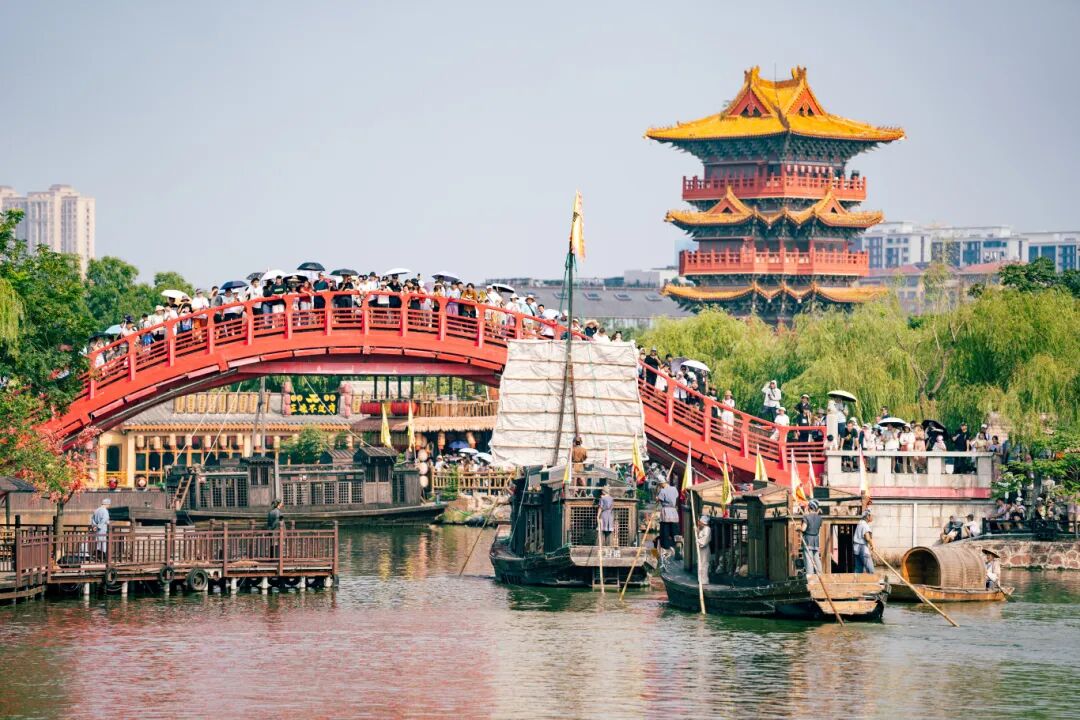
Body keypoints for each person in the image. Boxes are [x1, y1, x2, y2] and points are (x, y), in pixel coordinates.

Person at [656, 478, 680, 565]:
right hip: (673, 512)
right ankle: (677, 548)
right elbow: (676, 496)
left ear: (662, 484)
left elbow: (658, 499)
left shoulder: (662, 491)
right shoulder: (674, 489)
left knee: (665, 532)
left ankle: (666, 549)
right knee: (675, 532)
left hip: (666, 512)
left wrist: (657, 497)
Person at [801, 499, 824, 575]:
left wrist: (798, 528)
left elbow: (803, 529)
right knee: (816, 558)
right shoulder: (820, 518)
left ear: (809, 507)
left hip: (808, 540)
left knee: (809, 559)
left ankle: (810, 576)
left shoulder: (806, 517)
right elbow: (818, 528)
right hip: (816, 540)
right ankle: (820, 574)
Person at [853, 509, 875, 574]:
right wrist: (872, 544)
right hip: (862, 548)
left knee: (858, 570)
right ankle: (872, 579)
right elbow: (867, 537)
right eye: (871, 516)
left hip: (856, 548)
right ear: (868, 516)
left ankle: (857, 580)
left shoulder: (860, 523)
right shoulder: (864, 525)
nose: (872, 517)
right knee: (870, 569)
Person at [695, 514, 711, 586]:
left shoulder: (707, 529)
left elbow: (705, 539)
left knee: (704, 564)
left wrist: (698, 541)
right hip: (700, 549)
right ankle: (700, 579)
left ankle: (704, 581)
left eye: (700, 522)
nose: (698, 523)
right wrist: (697, 531)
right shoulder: (701, 529)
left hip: (704, 549)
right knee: (700, 563)